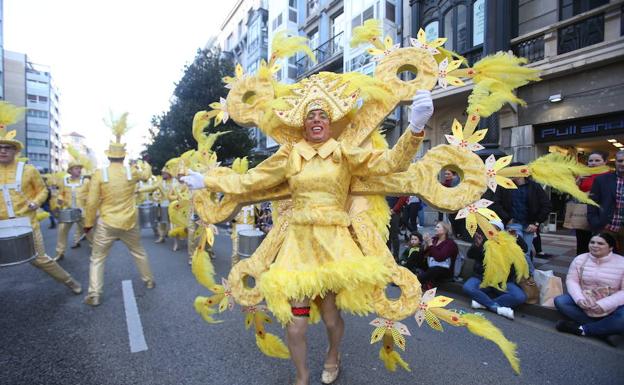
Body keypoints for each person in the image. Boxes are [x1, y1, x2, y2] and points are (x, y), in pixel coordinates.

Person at [182, 80, 433, 385]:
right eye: (311, 116)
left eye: (322, 116)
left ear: (330, 123)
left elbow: (390, 164)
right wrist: (208, 181)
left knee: (330, 317)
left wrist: (416, 127)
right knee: (296, 325)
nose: (316, 120)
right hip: (298, 247)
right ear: (303, 124)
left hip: (332, 247)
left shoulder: (344, 153)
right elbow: (251, 181)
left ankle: (333, 355)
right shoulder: (290, 155)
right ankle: (302, 378)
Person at [0, 104, 81, 294]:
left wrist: (36, 203)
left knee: (40, 259)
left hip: (26, 223)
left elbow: (43, 191)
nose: (3, 151)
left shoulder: (28, 170)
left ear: (15, 151)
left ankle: (70, 282)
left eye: (7, 147)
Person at [83, 114, 155, 306]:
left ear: (108, 155)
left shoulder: (99, 173)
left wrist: (88, 224)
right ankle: (148, 281)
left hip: (107, 223)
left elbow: (91, 202)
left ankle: (95, 294)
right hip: (129, 222)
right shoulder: (132, 171)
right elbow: (147, 176)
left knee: (97, 258)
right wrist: (145, 161)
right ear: (123, 156)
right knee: (139, 251)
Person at [554, 233, 624, 346]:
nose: (595, 245)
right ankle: (606, 331)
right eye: (592, 242)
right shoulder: (580, 259)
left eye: (600, 243)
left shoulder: (621, 262)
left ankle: (582, 329)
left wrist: (604, 304)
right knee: (560, 301)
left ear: (610, 247)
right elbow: (572, 281)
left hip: (613, 303)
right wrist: (579, 299)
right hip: (586, 300)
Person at [492, 162, 552, 274]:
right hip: (513, 224)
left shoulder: (535, 187)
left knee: (526, 252)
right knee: (520, 252)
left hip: (530, 224)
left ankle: (523, 278)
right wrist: (507, 218)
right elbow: (496, 204)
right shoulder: (504, 186)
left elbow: (546, 205)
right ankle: (531, 278)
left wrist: (536, 223)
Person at [463, 220, 528, 320]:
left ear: (500, 231)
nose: (490, 230)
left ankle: (483, 303)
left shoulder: (508, 243)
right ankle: (495, 307)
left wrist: (517, 238)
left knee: (520, 297)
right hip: (482, 279)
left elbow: (525, 249)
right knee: (468, 287)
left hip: (503, 282)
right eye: (488, 228)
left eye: (494, 228)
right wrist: (478, 246)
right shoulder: (482, 240)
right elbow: (470, 255)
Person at [54, 156, 91, 260]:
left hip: (82, 211)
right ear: (70, 170)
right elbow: (61, 193)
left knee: (89, 232)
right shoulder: (64, 181)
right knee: (61, 231)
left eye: (80, 168)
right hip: (68, 211)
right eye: (76, 168)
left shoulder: (86, 181)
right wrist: (59, 203)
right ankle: (59, 253)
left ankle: (95, 250)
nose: (79, 170)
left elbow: (91, 195)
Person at [574, 150, 610, 254]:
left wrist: (592, 194)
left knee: (599, 241)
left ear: (605, 162)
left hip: (601, 213)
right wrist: (578, 181)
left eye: (597, 160)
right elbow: (574, 192)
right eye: (591, 161)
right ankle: (581, 263)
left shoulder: (610, 176)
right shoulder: (584, 174)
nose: (593, 163)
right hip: (583, 211)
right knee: (582, 241)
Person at [588, 150, 624, 253]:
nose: (623, 164)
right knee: (602, 258)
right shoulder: (602, 180)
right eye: (620, 161)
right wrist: (595, 222)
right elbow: (592, 203)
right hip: (606, 227)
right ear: (615, 162)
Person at [417, 221, 458, 290]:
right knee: (415, 255)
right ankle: (410, 275)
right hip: (432, 264)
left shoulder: (450, 243)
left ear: (445, 230)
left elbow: (439, 257)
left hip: (444, 270)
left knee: (434, 269)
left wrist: (430, 244)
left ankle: (413, 281)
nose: (435, 229)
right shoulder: (435, 239)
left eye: (438, 227)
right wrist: (426, 245)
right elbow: (422, 254)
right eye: (435, 227)